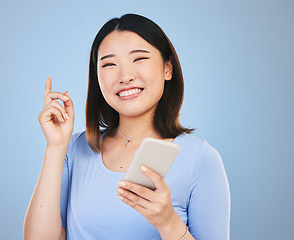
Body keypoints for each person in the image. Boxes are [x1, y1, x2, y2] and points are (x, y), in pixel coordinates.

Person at [23, 14, 230, 240]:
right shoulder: (74, 149)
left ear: (167, 68)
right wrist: (56, 146)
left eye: (139, 59)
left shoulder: (200, 159)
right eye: (110, 64)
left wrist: (169, 222)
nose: (125, 76)